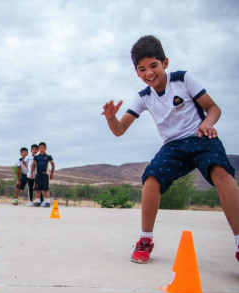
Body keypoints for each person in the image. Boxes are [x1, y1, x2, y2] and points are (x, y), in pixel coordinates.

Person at [102, 35, 239, 264]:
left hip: (200, 136)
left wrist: (207, 123)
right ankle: (145, 240)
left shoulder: (183, 80)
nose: (149, 73)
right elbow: (119, 130)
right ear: (137, 72)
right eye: (142, 69)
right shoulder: (143, 97)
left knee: (221, 172)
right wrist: (111, 117)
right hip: (173, 147)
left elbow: (213, 108)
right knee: (152, 178)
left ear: (165, 63)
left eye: (153, 66)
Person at [30, 142, 54, 208]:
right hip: (38, 175)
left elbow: (53, 165)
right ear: (38, 149)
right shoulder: (36, 156)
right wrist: (32, 173)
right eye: (40, 148)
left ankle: (47, 202)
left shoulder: (48, 156)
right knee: (38, 189)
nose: (42, 149)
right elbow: (33, 165)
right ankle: (38, 202)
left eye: (43, 148)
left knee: (46, 189)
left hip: (45, 175)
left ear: (45, 148)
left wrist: (52, 173)